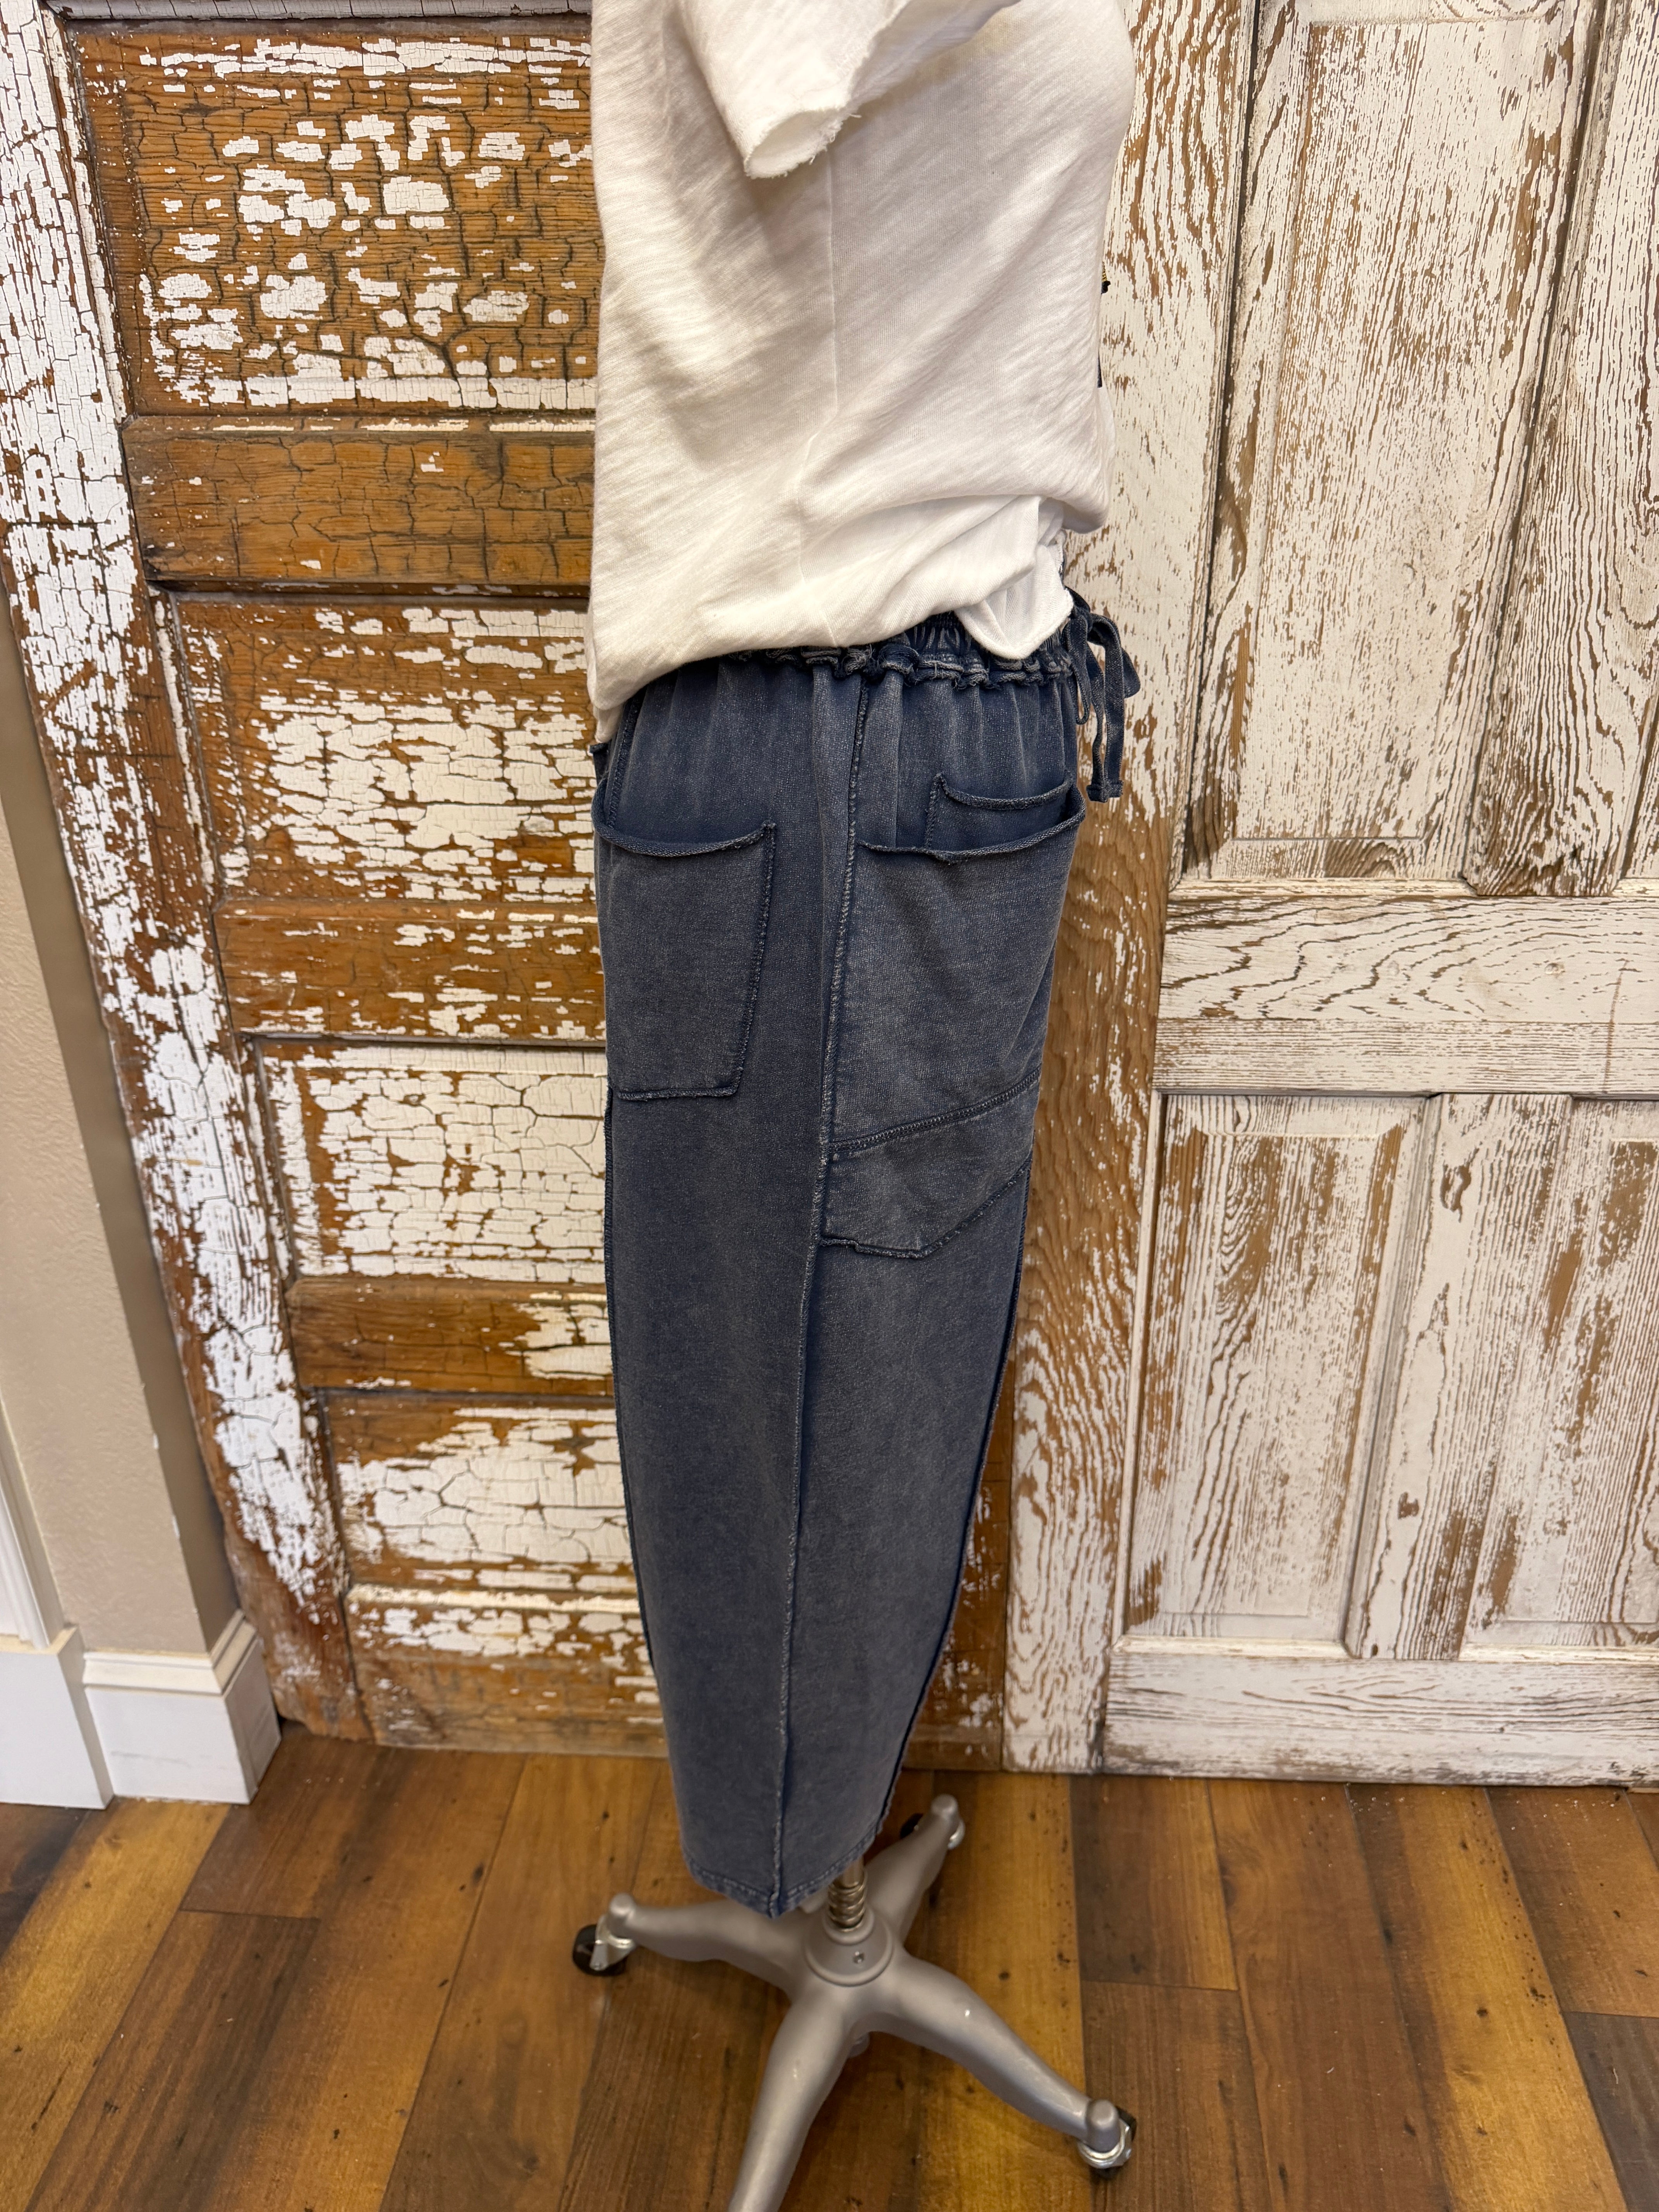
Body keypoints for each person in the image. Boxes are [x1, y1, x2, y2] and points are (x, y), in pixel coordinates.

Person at [586, 0, 1138, 1917]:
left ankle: (811, 1859)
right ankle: (788, 1879)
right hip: (834, 719)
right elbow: (782, 70)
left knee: (882, 1378)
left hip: (945, 713)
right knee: (787, 1413)